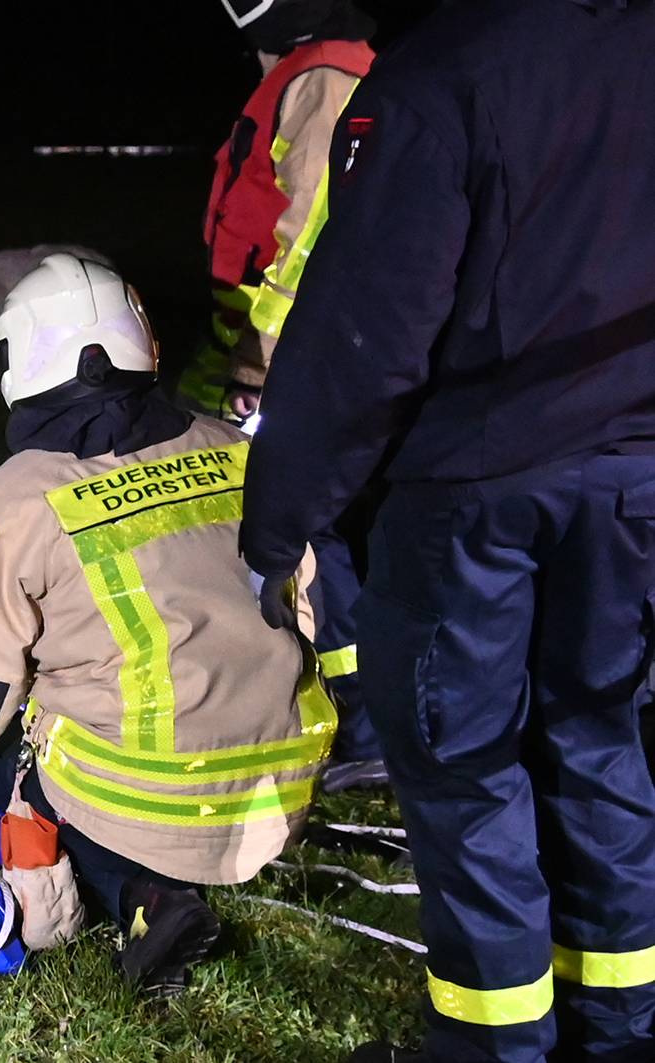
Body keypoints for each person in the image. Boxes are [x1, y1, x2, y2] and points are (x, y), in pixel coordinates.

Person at [239, 1, 655, 1059]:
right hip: (632, 478)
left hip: (475, 491)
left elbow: (364, 339)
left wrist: (279, 518)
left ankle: (493, 1044)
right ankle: (618, 1025)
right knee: (601, 740)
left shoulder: (440, 77)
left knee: (466, 774)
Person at [0, 254, 335, 998]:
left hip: (149, 803)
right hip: (281, 785)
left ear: (16, 362)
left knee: (6, 743)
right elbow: (311, 603)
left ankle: (145, 896)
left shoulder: (16, 502)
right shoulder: (235, 449)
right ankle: (160, 887)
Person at [180, 0, 385, 792]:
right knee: (278, 522)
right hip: (272, 347)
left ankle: (362, 724)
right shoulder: (304, 72)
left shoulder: (326, 81)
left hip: (304, 357)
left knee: (314, 530)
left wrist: (256, 365)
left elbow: (308, 241)